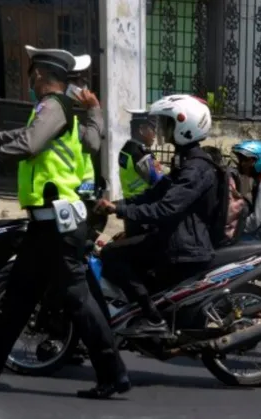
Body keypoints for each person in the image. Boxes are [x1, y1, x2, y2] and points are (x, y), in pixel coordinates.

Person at [0, 45, 129, 399]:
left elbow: (30, 143)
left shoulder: (54, 108)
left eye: (32, 73)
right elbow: (37, 137)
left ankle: (113, 372)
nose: (30, 79)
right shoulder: (58, 112)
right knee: (20, 292)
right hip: (47, 223)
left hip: (59, 225)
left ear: (40, 74)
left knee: (77, 299)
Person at [95, 94, 218, 336]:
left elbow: (165, 208)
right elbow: (156, 192)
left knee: (111, 255)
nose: (161, 130)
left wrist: (122, 209)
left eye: (167, 124)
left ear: (185, 126)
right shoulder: (184, 161)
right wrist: (118, 205)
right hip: (174, 233)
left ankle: (152, 317)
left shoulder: (195, 167)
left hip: (184, 243)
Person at [69, 53, 108, 240]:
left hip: (81, 191)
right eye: (80, 81)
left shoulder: (71, 117)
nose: (85, 87)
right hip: (70, 197)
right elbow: (93, 142)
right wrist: (94, 108)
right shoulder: (63, 119)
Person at [117, 109, 164, 237]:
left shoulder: (126, 149)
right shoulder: (141, 154)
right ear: (142, 129)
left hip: (131, 207)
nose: (154, 134)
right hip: (144, 211)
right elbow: (160, 182)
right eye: (152, 128)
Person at [232, 140, 261, 241]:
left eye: (246, 160)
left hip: (259, 237)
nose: (242, 164)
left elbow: (257, 219)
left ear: (259, 160)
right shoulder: (256, 183)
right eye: (241, 160)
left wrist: (236, 228)